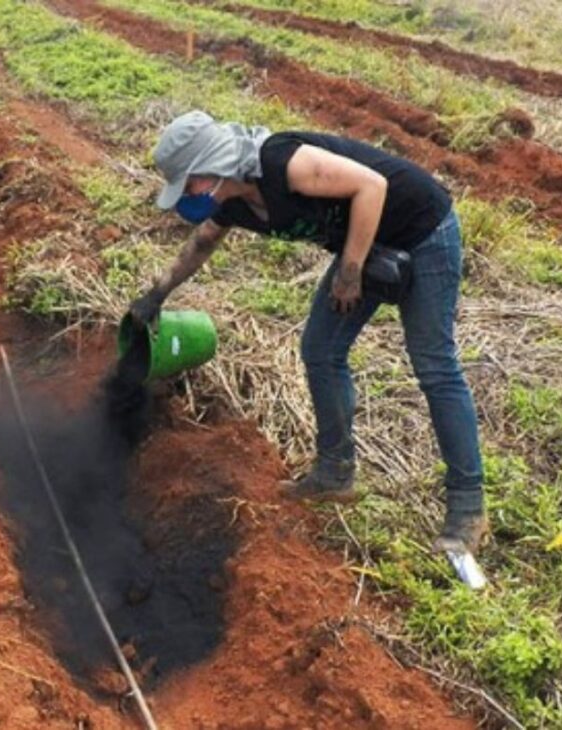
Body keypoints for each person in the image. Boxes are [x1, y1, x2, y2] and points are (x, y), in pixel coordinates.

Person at [129, 110, 488, 554]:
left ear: (214, 166)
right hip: (368, 240)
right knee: (321, 349)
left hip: (422, 229)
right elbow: (202, 242)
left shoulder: (282, 162)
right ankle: (334, 473)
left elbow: (371, 186)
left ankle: (467, 509)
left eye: (189, 183)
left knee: (434, 365)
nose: (187, 195)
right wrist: (156, 295)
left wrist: (350, 273)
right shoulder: (235, 202)